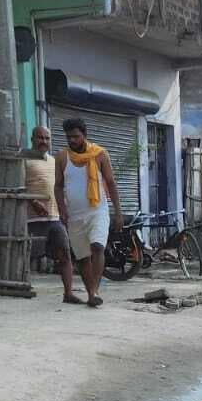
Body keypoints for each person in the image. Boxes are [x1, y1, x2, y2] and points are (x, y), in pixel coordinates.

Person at [54, 118, 121, 308]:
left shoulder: (99, 154)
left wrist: (118, 212)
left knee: (98, 247)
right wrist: (62, 209)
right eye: (69, 137)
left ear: (85, 135)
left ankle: (94, 292)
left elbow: (111, 183)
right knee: (82, 257)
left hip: (98, 210)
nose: (72, 141)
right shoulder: (61, 157)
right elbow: (58, 187)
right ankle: (92, 293)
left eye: (76, 136)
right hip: (74, 215)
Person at [25, 125, 79, 304]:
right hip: (33, 219)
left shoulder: (54, 161)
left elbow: (61, 188)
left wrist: (65, 210)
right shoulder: (24, 160)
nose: (44, 141)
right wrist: (33, 202)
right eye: (40, 138)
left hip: (55, 218)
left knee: (64, 254)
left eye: (47, 138)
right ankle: (20, 286)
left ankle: (68, 293)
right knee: (28, 256)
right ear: (32, 139)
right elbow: (18, 187)